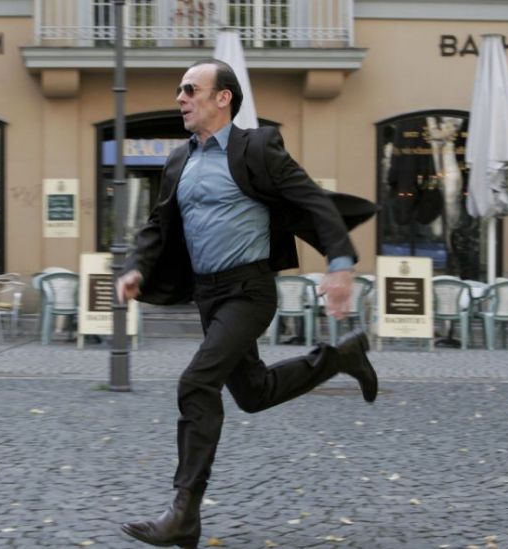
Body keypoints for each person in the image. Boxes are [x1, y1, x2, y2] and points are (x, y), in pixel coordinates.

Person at [117, 58, 379, 549]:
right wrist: (136, 268)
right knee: (253, 393)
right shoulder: (178, 160)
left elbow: (312, 199)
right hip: (208, 295)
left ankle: (183, 513)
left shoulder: (257, 147)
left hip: (249, 290)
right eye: (180, 90)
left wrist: (340, 263)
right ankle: (341, 357)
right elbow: (156, 225)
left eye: (190, 89)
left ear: (223, 98)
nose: (180, 98)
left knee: (197, 382)